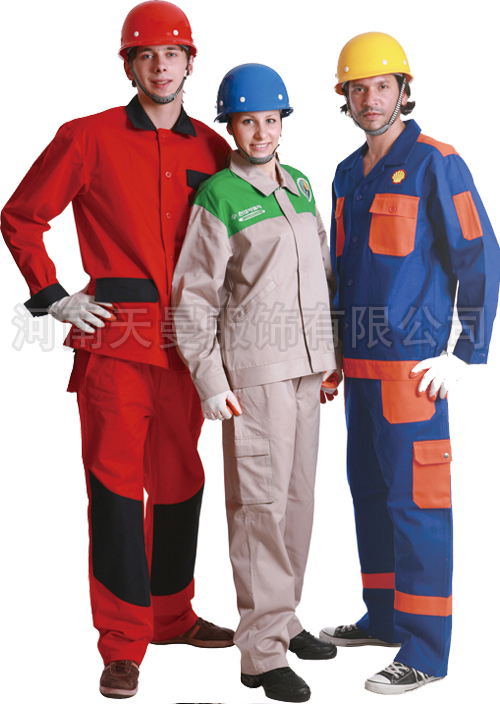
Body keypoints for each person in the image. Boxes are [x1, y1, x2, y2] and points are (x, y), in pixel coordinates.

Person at [1, 1, 235, 699]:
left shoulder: (214, 150)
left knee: (181, 483)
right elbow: (21, 216)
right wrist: (53, 295)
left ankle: (173, 616)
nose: (160, 65)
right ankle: (123, 644)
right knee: (114, 493)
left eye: (172, 53)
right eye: (146, 54)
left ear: (190, 62)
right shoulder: (87, 137)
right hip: (115, 348)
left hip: (189, 350)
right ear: (129, 65)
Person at [319, 32, 500, 694]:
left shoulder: (437, 163)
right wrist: (332, 353)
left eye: (382, 86)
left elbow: (481, 257)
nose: (370, 99)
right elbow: (341, 272)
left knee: (418, 507)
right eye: (357, 89)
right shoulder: (347, 174)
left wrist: (466, 353)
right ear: (344, 97)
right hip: (359, 373)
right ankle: (384, 617)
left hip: (414, 376)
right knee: (370, 496)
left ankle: (424, 650)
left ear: (403, 90)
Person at [172, 63, 340, 703]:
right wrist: (210, 379)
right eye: (248, 121)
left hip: (307, 370)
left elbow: (322, 271)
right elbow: (194, 300)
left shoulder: (299, 185)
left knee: (297, 502)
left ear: (283, 123)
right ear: (231, 127)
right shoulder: (218, 197)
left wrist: (331, 353)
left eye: (271, 120)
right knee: (259, 509)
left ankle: (285, 619)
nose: (262, 132)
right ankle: (261, 652)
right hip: (254, 377)